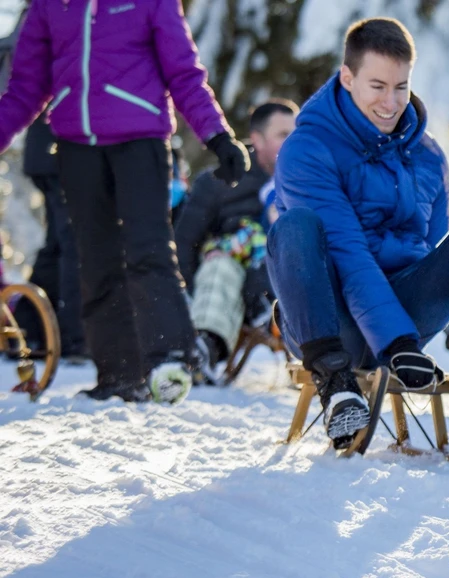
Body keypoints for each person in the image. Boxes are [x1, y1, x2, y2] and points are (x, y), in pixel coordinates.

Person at [266, 18, 449, 454]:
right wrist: (398, 342)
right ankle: (337, 388)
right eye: (377, 86)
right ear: (347, 77)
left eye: (401, 87)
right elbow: (348, 252)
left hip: (402, 312)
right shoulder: (306, 149)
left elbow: (431, 243)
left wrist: (406, 333)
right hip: (328, 318)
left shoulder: (428, 156)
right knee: (295, 227)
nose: (390, 103)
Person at [0, 0, 251, 404]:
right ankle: (119, 375)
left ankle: (171, 360)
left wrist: (217, 136)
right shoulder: (50, 5)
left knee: (148, 250)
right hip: (76, 147)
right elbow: (27, 86)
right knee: (95, 260)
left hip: (140, 141)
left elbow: (183, 73)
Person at [176, 99, 298, 383]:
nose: (292, 142)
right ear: (257, 139)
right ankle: (205, 350)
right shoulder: (221, 181)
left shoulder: (309, 179)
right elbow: (183, 242)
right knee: (220, 264)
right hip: (227, 283)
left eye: (296, 134)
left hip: (284, 281)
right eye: (283, 135)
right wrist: (191, 293)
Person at [13, 119, 86, 359]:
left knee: (56, 246)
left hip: (45, 153)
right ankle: (72, 336)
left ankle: (32, 328)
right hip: (59, 153)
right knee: (71, 246)